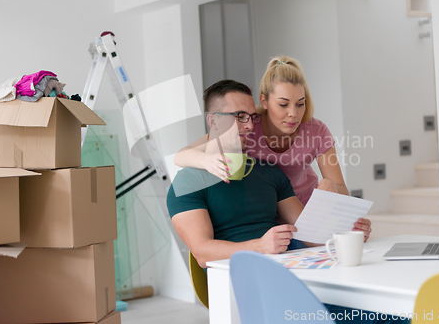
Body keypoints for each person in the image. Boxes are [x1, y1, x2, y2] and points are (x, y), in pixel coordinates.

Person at [167, 80, 406, 324]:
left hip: (298, 273)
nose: (249, 125)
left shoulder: (269, 172)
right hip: (249, 283)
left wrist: (347, 232)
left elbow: (309, 231)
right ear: (213, 121)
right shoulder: (187, 182)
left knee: (392, 313)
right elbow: (202, 252)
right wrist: (260, 247)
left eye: (251, 117)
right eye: (239, 116)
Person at [174, 56, 368, 239]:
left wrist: (331, 186)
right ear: (264, 101)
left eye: (300, 104)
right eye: (283, 104)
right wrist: (207, 160)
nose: (294, 113)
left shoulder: (315, 130)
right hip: (266, 215)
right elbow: (182, 155)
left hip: (305, 212)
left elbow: (342, 189)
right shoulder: (248, 125)